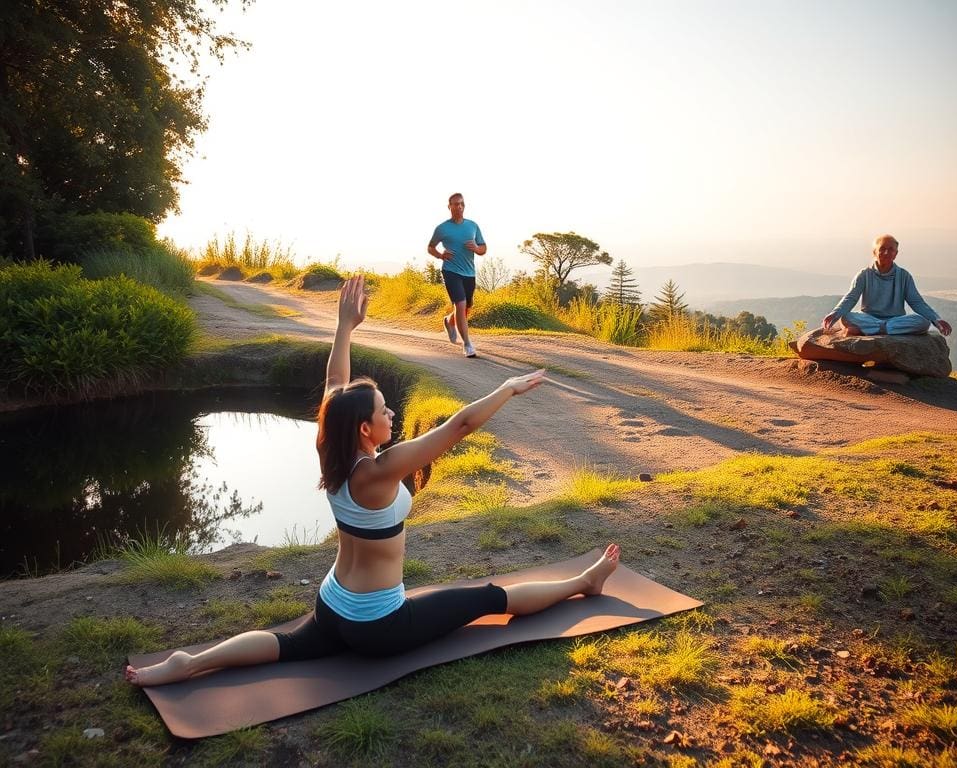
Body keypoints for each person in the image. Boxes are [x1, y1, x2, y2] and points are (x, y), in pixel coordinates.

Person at [126, 275, 620, 687]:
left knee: (289, 644)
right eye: (385, 411)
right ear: (366, 429)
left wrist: (345, 327)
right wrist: (507, 388)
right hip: (378, 624)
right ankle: (584, 581)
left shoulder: (331, 452)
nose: (392, 413)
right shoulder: (380, 471)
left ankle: (189, 663)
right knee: (489, 598)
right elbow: (460, 426)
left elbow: (334, 387)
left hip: (333, 603)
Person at [822, 234, 952, 337]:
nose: (886, 253)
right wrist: (835, 314)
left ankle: (872, 330)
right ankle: (884, 329)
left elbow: (916, 302)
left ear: (896, 253)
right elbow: (851, 298)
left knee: (923, 322)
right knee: (845, 317)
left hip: (895, 319)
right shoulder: (864, 274)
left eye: (891, 249)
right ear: (874, 252)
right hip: (869, 318)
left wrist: (936, 320)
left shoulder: (904, 276)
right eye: (882, 249)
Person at [428, 192, 486, 358]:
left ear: (464, 206)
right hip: (451, 271)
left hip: (469, 273)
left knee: (466, 307)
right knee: (460, 305)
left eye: (461, 204)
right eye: (455, 204)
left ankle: (449, 321)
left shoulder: (473, 226)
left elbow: (483, 248)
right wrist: (440, 255)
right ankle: (467, 345)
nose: (459, 207)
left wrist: (476, 248)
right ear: (449, 207)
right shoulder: (442, 228)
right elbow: (431, 247)